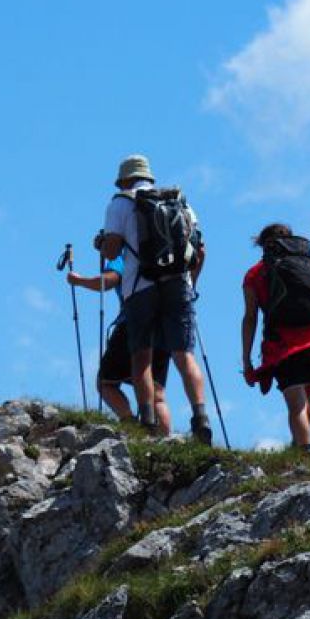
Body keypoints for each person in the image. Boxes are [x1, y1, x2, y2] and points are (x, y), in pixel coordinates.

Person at [98, 154, 213, 442]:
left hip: (140, 286)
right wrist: (191, 285)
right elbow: (200, 250)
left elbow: (112, 251)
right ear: (148, 177)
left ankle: (147, 420)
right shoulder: (180, 202)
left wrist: (102, 243)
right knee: (184, 355)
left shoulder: (120, 203)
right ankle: (200, 417)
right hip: (178, 283)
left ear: (124, 180)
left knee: (142, 356)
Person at [241, 223, 310, 457]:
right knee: (307, 395)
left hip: (285, 345)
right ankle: (300, 447)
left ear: (264, 245)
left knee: (295, 403)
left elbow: (250, 317)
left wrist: (246, 358)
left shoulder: (255, 274)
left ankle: (305, 452)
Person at [67, 256, 173, 433]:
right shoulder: (165, 255)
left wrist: (78, 281)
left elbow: (107, 281)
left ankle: (129, 423)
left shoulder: (126, 254)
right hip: (165, 327)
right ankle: (165, 440)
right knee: (157, 394)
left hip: (133, 322)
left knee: (106, 383)